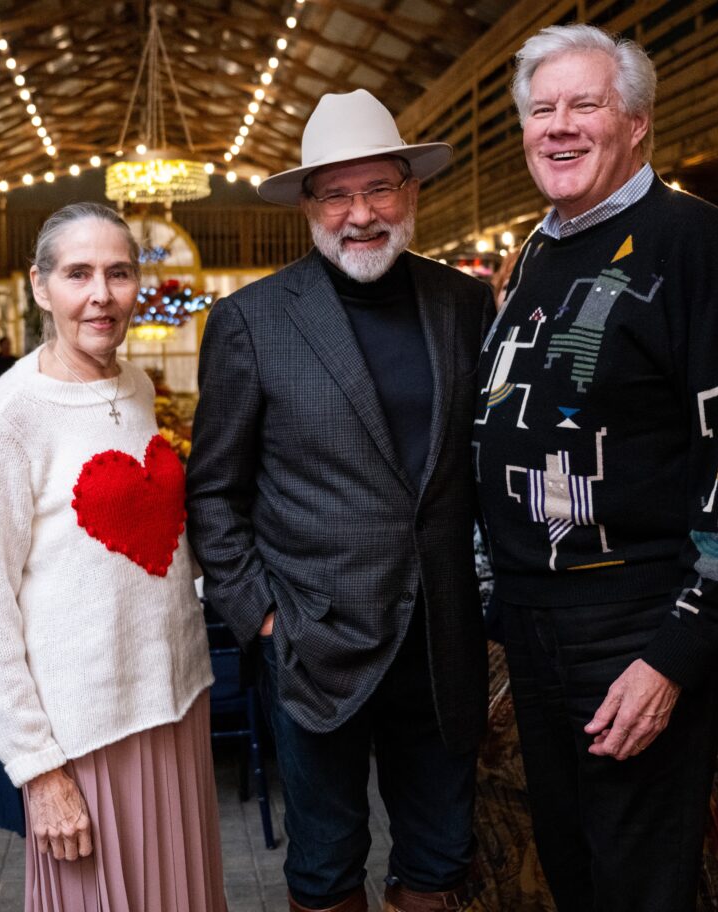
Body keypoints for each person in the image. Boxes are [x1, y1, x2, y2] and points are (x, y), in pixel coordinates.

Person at [472, 24, 718, 911]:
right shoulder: (538, 250)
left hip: (631, 627)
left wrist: (679, 655)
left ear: (637, 123)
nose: (559, 126)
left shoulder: (696, 242)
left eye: (585, 104)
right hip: (535, 625)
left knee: (638, 881)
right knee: (575, 870)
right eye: (542, 110)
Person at [186, 89, 494, 912]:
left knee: (440, 858)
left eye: (379, 189)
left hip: (441, 642)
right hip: (315, 643)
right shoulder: (251, 322)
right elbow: (213, 492)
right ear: (307, 207)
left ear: (411, 192)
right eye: (337, 193)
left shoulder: (464, 305)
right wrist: (261, 617)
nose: (361, 213)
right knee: (324, 867)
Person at [0, 202, 228, 912]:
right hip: (87, 734)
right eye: (78, 274)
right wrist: (38, 772)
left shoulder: (135, 386)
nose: (101, 294)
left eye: (119, 272)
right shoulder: (9, 416)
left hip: (175, 706)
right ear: (41, 287)